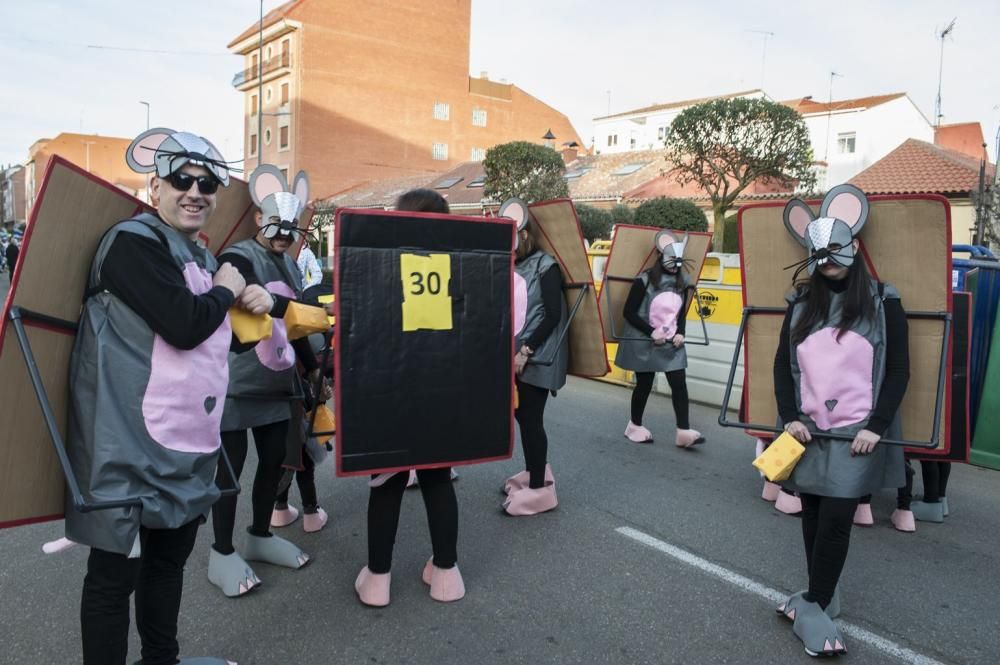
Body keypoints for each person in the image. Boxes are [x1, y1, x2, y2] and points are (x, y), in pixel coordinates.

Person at [66, 128, 262, 665]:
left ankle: (162, 660)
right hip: (125, 450)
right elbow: (183, 323)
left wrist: (251, 296)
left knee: (167, 567)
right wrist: (227, 286)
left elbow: (220, 352)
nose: (195, 191)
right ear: (155, 187)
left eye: (206, 183)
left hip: (186, 449)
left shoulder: (196, 257)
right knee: (114, 579)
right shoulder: (130, 242)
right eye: (181, 180)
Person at [773, 185, 909, 657]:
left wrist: (877, 424)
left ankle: (813, 604)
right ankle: (821, 596)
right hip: (808, 431)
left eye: (834, 252)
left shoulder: (883, 299)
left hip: (858, 435)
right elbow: (782, 366)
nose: (827, 262)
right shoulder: (800, 302)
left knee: (836, 517)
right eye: (819, 254)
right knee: (811, 513)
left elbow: (897, 369)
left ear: (853, 246)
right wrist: (789, 417)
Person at [208, 165, 323, 597]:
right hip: (237, 385)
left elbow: (293, 325)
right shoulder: (237, 256)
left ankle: (259, 535)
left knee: (274, 466)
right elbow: (248, 295)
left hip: (278, 386)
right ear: (259, 217)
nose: (284, 235)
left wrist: (313, 368)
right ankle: (221, 552)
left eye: (292, 229)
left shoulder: (290, 267)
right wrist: (273, 301)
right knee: (229, 476)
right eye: (276, 225)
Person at [354, 188, 464, 607]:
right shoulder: (462, 268)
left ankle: (378, 579)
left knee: (387, 481)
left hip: (390, 392)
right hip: (441, 390)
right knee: (438, 478)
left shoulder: (378, 267)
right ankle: (447, 574)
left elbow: (361, 333)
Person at [500, 197, 568, 516]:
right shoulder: (513, 264)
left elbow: (553, 314)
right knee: (520, 415)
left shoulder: (546, 264)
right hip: (516, 352)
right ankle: (536, 472)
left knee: (530, 418)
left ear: (525, 234)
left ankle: (540, 489)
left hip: (538, 355)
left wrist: (526, 350)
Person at [616, 230, 704, 448]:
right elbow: (628, 312)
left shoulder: (683, 281)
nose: (674, 266)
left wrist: (681, 332)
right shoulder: (644, 280)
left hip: (670, 341)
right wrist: (650, 332)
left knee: (679, 383)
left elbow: (680, 313)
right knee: (644, 384)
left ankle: (683, 430)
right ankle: (634, 425)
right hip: (645, 340)